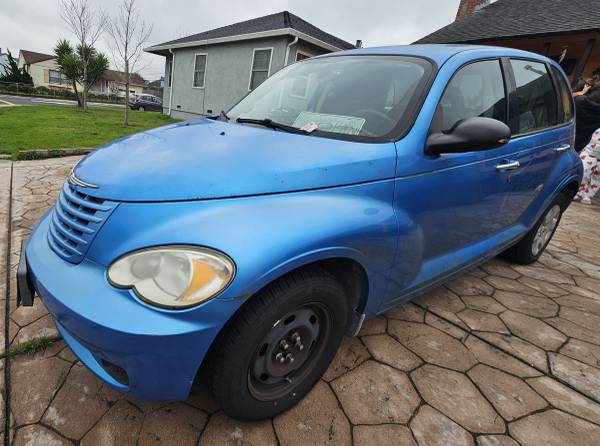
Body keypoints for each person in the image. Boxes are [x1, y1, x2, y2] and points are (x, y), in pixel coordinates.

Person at [575, 129, 600, 204]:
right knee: (584, 170)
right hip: (590, 152)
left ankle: (587, 194)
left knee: (597, 178)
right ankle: (577, 191)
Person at [575, 84, 600, 152]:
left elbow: (565, 98)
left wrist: (582, 92)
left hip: (564, 136)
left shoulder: (579, 100)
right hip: (580, 144)